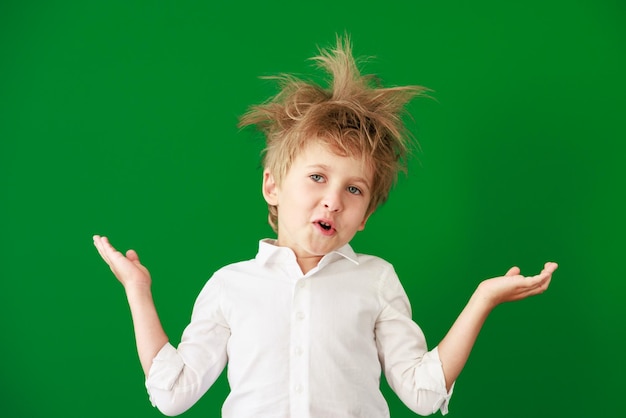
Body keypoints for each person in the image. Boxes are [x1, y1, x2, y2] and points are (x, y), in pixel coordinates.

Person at [93, 36, 558, 417]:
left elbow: (422, 393)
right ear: (272, 186)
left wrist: (483, 299)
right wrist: (138, 289)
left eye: (354, 190)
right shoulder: (230, 286)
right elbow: (173, 394)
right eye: (317, 178)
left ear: (366, 214)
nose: (332, 200)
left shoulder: (376, 280)